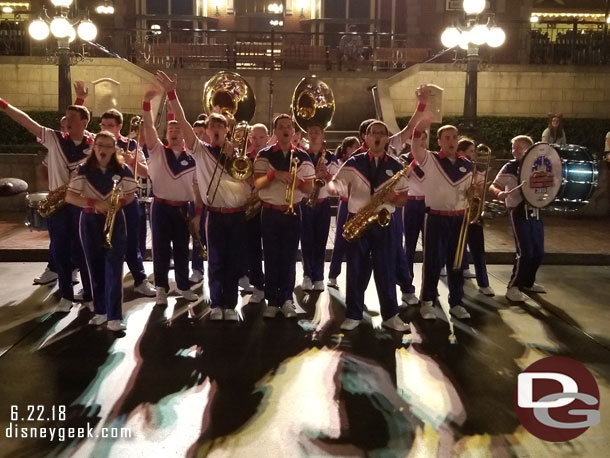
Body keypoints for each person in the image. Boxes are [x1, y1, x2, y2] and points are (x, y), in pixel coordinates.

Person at [157, 71, 250, 321]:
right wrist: (171, 93)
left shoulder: (237, 154)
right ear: (207, 131)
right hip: (215, 215)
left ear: (228, 129)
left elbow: (248, 181)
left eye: (221, 126)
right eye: (213, 126)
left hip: (237, 215)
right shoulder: (200, 151)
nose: (217, 129)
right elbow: (185, 123)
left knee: (233, 263)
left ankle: (230, 306)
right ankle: (217, 304)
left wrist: (234, 156)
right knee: (216, 261)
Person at [1, 96, 93, 312]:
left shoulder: (94, 143)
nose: (67, 120)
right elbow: (26, 121)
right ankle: (66, 296)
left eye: (72, 117)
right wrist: (4, 105)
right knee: (60, 249)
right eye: (67, 117)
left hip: (80, 203)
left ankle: (90, 294)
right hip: (57, 203)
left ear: (85, 122)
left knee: (84, 251)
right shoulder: (54, 138)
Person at [329, 121, 410, 332]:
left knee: (386, 270)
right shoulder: (353, 163)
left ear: (386, 139)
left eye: (382, 134)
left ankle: (390, 315)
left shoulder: (396, 165)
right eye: (373, 133)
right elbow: (335, 185)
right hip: (358, 220)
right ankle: (354, 314)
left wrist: (395, 197)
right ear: (365, 137)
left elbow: (404, 199)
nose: (377, 137)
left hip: (385, 222)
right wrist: (331, 187)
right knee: (356, 270)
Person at [65, 131, 137, 331]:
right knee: (94, 267)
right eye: (100, 145)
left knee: (114, 268)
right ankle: (100, 311)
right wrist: (94, 203)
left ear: (114, 149)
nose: (103, 149)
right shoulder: (83, 169)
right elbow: (70, 197)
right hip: (89, 220)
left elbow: (131, 195)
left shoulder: (123, 169)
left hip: (116, 220)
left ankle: (114, 316)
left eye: (107, 146)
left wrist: (116, 204)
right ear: (94, 147)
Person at [411, 118, 474, 320]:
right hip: (436, 218)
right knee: (433, 262)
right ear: (439, 141)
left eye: (455, 137)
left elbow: (471, 194)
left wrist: (474, 194)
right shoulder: (431, 159)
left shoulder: (468, 164)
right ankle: (427, 302)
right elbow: (415, 146)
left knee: (456, 262)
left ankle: (456, 302)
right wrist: (423, 117)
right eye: (446, 138)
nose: (451, 141)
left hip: (459, 218)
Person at [141, 86, 199, 305]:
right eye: (170, 130)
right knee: (161, 249)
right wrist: (146, 104)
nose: (174, 132)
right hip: (161, 207)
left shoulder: (193, 158)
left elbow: (196, 187)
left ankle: (183, 286)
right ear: (165, 135)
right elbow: (148, 126)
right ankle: (161, 288)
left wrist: (198, 212)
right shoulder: (157, 151)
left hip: (183, 207)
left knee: (183, 248)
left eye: (178, 130)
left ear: (184, 134)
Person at [253, 114, 314, 318]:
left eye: (289, 127)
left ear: (294, 132)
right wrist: (274, 175)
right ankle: (272, 300)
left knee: (289, 257)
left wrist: (296, 182)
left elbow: (310, 189)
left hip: (293, 211)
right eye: (281, 127)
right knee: (270, 257)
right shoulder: (264, 154)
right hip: (269, 212)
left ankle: (287, 299)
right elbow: (257, 184)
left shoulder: (303, 157)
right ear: (275, 132)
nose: (286, 130)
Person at [99, 109, 156, 297]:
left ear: (119, 127)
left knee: (132, 242)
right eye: (104, 125)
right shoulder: (97, 143)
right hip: (104, 201)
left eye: (111, 126)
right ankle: (100, 284)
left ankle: (140, 280)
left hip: (128, 199)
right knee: (102, 244)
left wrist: (133, 162)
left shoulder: (131, 144)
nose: (107, 129)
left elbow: (146, 173)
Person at [489, 135, 546, 302]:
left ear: (529, 149)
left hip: (535, 210)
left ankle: (528, 282)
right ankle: (513, 287)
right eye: (514, 147)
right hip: (518, 210)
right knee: (525, 251)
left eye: (519, 147)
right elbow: (494, 185)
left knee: (539, 252)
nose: (515, 150)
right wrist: (500, 193)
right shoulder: (510, 167)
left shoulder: (539, 165)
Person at [300, 123, 339, 291]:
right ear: (307, 136)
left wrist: (327, 174)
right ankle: (307, 275)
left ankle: (319, 276)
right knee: (306, 240)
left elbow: (337, 183)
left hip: (323, 203)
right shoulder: (301, 155)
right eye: (311, 132)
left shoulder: (331, 157)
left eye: (317, 132)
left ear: (323, 136)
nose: (314, 135)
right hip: (305, 202)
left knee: (321, 241)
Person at [456, 138, 494, 296]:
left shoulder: (478, 170)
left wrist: (481, 189)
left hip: (474, 214)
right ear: (462, 153)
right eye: (472, 151)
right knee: (456, 251)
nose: (475, 154)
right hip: (458, 213)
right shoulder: (456, 169)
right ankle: (457, 287)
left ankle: (484, 283)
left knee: (479, 250)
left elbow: (482, 193)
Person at [327, 136, 360, 288]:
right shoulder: (341, 162)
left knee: (357, 242)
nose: (357, 149)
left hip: (358, 205)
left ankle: (355, 279)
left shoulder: (361, 162)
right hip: (345, 203)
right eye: (354, 147)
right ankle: (333, 275)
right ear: (347, 148)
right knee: (340, 240)